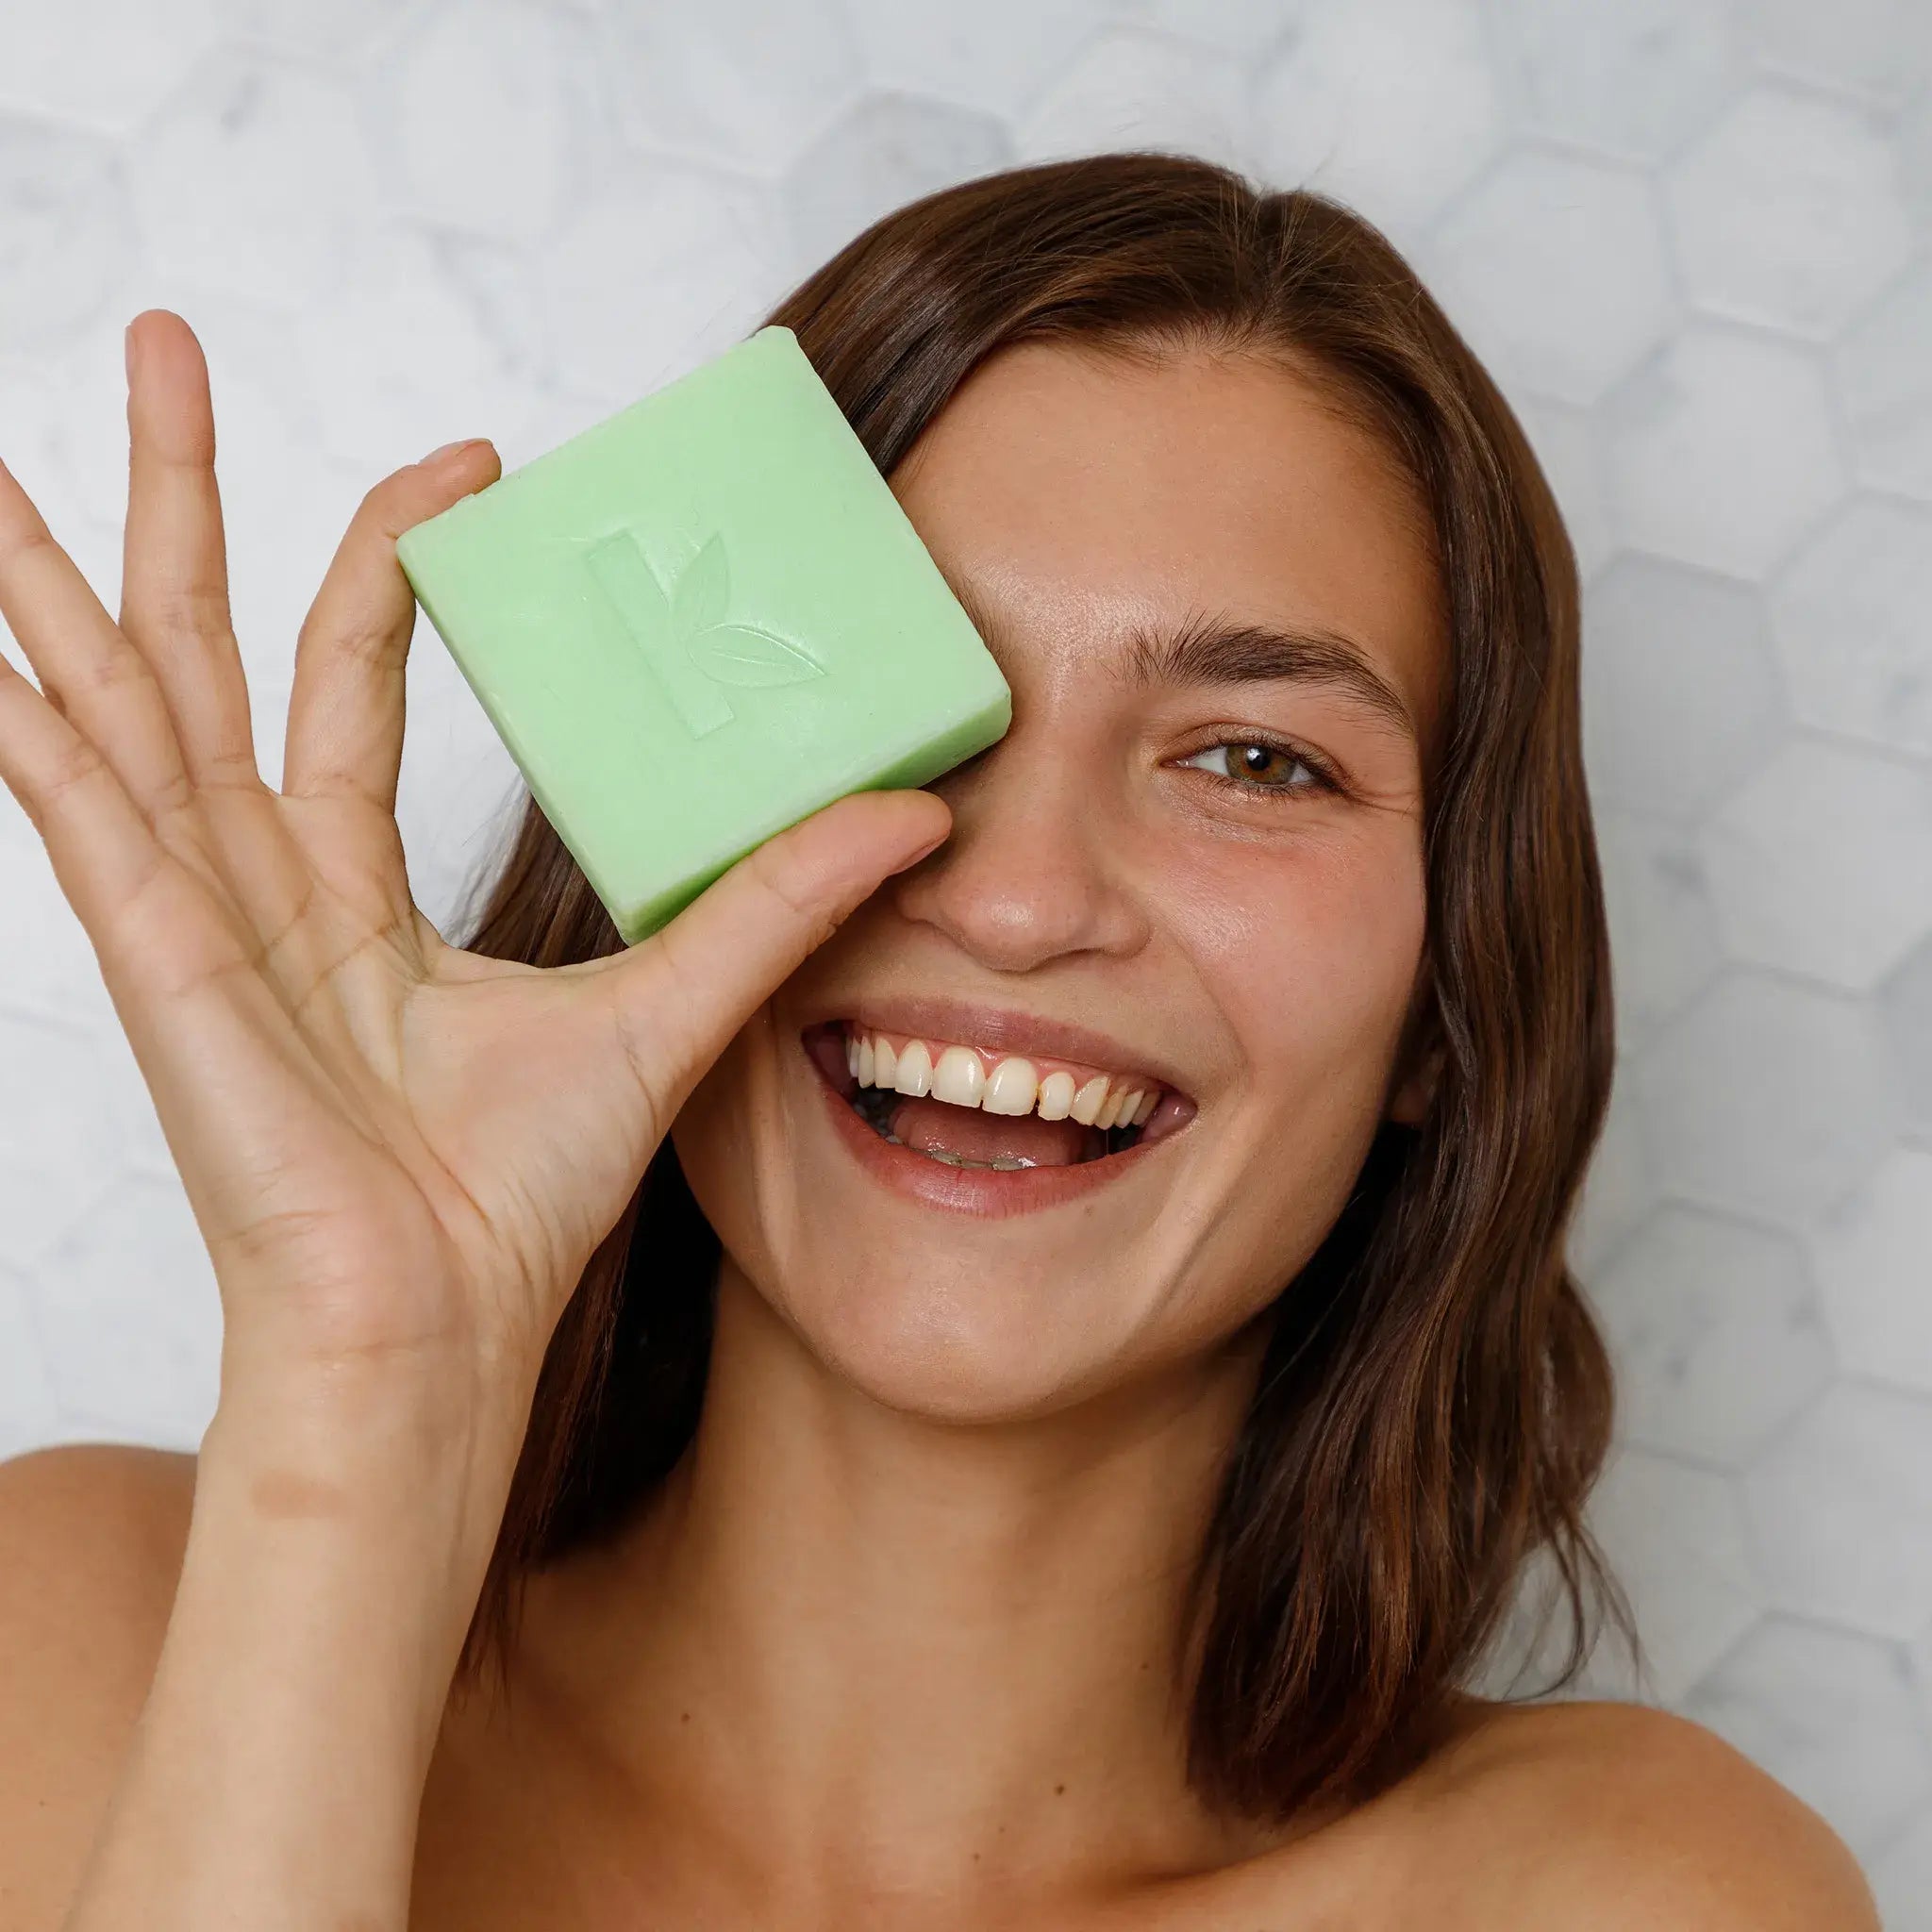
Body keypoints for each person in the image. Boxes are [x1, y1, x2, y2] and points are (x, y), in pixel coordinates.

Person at [0, 153, 1877, 1929]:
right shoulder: (93, 1639)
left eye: (1251, 759)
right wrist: (364, 1379)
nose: (1013, 894)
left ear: (1449, 1009)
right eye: (915, 699)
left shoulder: (1626, 1890)